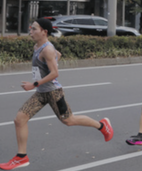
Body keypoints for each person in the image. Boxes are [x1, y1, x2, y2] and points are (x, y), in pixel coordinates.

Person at [0, 19, 114, 171]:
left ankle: (102, 125)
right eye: (31, 29)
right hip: (41, 94)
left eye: (34, 29)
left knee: (69, 120)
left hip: (54, 93)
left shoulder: (47, 49)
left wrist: (33, 84)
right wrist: (54, 59)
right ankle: (21, 157)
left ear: (44, 32)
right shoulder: (39, 46)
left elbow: (55, 73)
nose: (30, 31)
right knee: (19, 119)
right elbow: (57, 55)